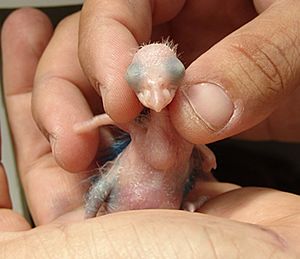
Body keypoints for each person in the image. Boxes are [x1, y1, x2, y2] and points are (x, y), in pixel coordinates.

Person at [0, 0, 299, 257]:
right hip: (133, 193)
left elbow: (124, 122)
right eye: (145, 88)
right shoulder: (152, 126)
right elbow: (111, 119)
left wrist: (204, 153)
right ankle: (90, 215)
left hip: (170, 198)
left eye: (167, 85)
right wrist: (90, 124)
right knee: (104, 185)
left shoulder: (188, 122)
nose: (156, 99)